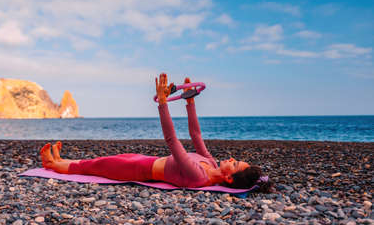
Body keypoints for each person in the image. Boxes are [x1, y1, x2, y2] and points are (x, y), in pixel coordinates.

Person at [40, 73, 272, 192]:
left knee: (92, 167)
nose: (231, 158)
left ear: (228, 178)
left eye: (234, 163)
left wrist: (163, 102)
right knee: (93, 162)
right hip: (143, 160)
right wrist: (190, 102)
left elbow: (172, 141)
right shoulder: (209, 163)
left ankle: (51, 165)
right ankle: (61, 160)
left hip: (136, 169)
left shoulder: (198, 177)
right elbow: (196, 136)